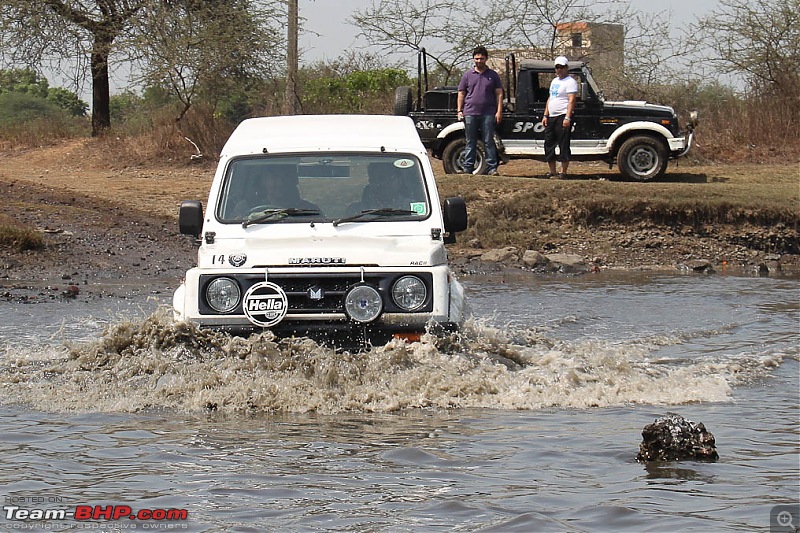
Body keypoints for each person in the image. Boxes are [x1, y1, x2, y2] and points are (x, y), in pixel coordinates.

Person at [457, 46, 504, 176]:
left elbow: (499, 93)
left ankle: (491, 168)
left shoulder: (493, 75)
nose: (479, 61)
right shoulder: (467, 75)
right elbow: (461, 93)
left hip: (488, 113)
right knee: (470, 141)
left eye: (481, 58)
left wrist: (499, 111)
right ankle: (468, 168)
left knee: (488, 141)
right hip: (470, 112)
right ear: (473, 59)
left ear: (486, 59)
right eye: (476, 58)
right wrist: (459, 110)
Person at [543, 56, 578, 179]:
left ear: (566, 68)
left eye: (562, 67)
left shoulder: (570, 82)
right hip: (551, 117)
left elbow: (571, 100)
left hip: (562, 116)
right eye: (557, 67)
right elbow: (550, 98)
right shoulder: (554, 81)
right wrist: (545, 114)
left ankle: (563, 172)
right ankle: (552, 171)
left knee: (563, 144)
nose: (559, 70)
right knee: (549, 143)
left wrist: (567, 117)